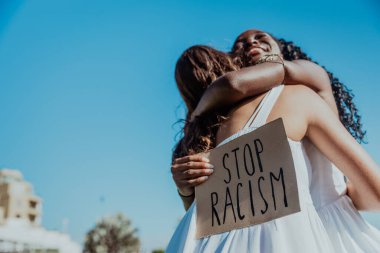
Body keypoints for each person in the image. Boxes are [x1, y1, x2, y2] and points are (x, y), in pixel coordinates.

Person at [169, 30, 380, 252]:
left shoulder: (307, 85)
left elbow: (234, 84)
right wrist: (186, 190)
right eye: (240, 43)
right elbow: (213, 215)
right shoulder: (224, 122)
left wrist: (196, 113)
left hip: (327, 231)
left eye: (261, 38)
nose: (251, 41)